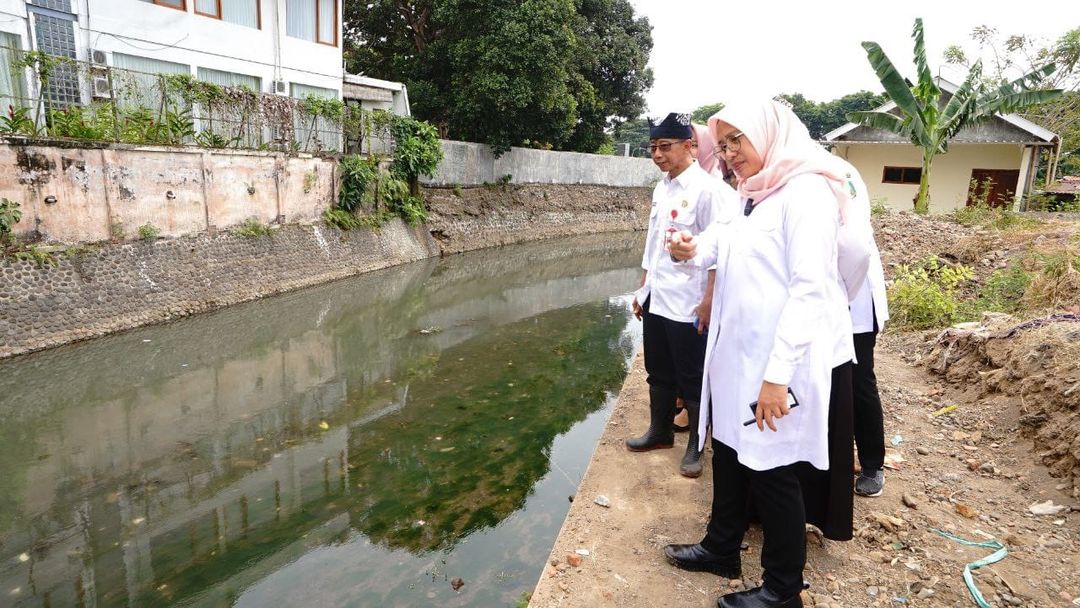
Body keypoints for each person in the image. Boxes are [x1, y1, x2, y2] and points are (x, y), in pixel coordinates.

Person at [663, 100, 868, 608]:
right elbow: (727, 242)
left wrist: (777, 378)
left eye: (739, 140)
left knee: (772, 468)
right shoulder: (755, 193)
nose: (730, 153)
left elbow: (810, 290)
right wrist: (694, 249)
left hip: (780, 363)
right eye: (724, 143)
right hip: (739, 355)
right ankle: (721, 547)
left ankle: (783, 589)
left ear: (769, 135)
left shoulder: (806, 193)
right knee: (731, 452)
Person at [627, 112, 736, 478]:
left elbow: (720, 252)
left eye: (665, 147)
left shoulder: (711, 191)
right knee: (657, 371)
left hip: (689, 301)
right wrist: (643, 288)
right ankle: (659, 432)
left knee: (692, 377)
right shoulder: (663, 187)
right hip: (658, 296)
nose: (657, 155)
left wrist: (709, 299)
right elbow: (652, 244)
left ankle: (696, 447)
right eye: (653, 148)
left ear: (690, 146)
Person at [837, 160, 890, 497]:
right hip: (827, 299)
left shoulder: (836, 172)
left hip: (854, 300)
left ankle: (872, 463)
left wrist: (840, 289)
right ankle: (838, 457)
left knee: (858, 382)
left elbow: (854, 244)